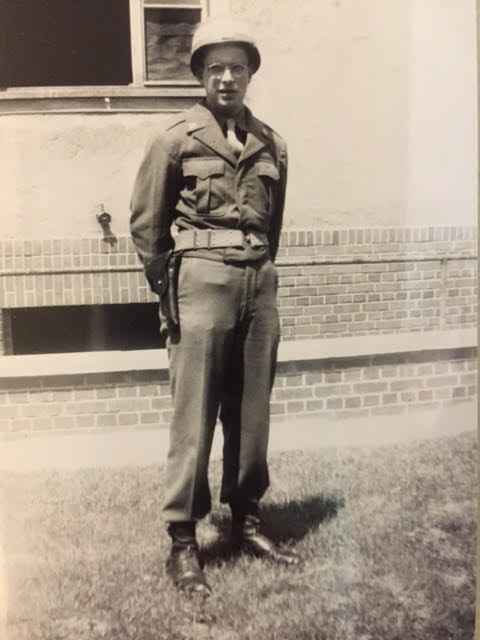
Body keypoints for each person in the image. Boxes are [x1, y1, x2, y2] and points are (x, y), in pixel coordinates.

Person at [130, 16, 300, 597]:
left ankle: (246, 520)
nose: (227, 78)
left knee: (252, 413)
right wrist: (171, 291)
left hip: (258, 280)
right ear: (200, 75)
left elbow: (273, 223)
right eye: (216, 68)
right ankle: (183, 540)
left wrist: (259, 273)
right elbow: (147, 225)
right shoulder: (175, 138)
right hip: (200, 280)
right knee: (194, 415)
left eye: (238, 68)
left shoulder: (271, 143)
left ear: (251, 74)